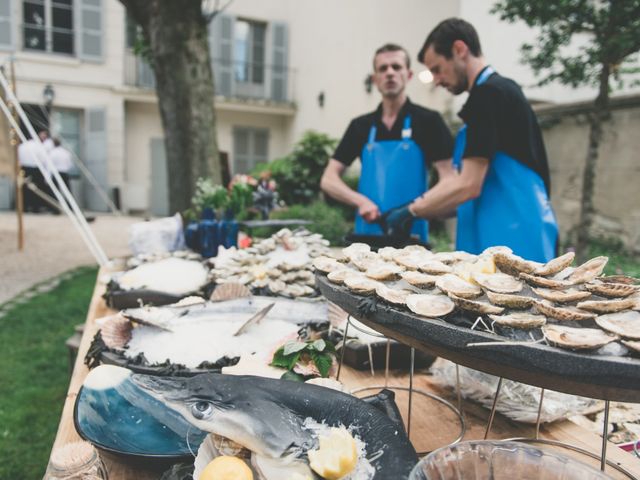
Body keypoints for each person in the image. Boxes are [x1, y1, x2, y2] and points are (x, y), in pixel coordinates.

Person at [385, 18, 558, 262]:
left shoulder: (488, 94)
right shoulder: (497, 92)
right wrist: (424, 208)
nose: (436, 79)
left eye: (436, 68)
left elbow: (468, 184)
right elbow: (471, 187)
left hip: (514, 241)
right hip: (503, 235)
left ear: (459, 50)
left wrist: (411, 211)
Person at [320, 43, 453, 243]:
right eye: (383, 68)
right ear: (375, 79)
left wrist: (418, 209)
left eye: (396, 67)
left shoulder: (429, 121)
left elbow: (450, 180)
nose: (390, 73)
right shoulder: (360, 126)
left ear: (408, 75)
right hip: (366, 236)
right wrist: (359, 201)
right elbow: (328, 180)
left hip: (412, 236)